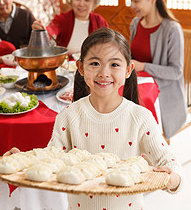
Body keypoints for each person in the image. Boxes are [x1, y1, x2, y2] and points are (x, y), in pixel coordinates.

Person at [48, 28, 183, 210]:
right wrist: (22, 163)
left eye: (114, 65)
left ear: (128, 70)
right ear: (80, 68)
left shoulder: (140, 117)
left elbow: (169, 162)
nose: (104, 73)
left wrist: (173, 178)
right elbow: (50, 160)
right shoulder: (68, 117)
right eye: (95, 63)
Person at [129, 0, 187, 140]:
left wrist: (143, 66)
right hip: (137, 86)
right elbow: (132, 55)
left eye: (137, 0)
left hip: (162, 95)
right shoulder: (135, 23)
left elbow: (176, 72)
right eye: (132, 0)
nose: (132, 5)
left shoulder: (171, 29)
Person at [32, 0, 108, 56]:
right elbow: (51, 31)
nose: (81, 4)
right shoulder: (62, 19)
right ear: (70, 0)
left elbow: (108, 43)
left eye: (87, 0)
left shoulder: (99, 21)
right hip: (67, 67)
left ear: (94, 3)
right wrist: (42, 30)